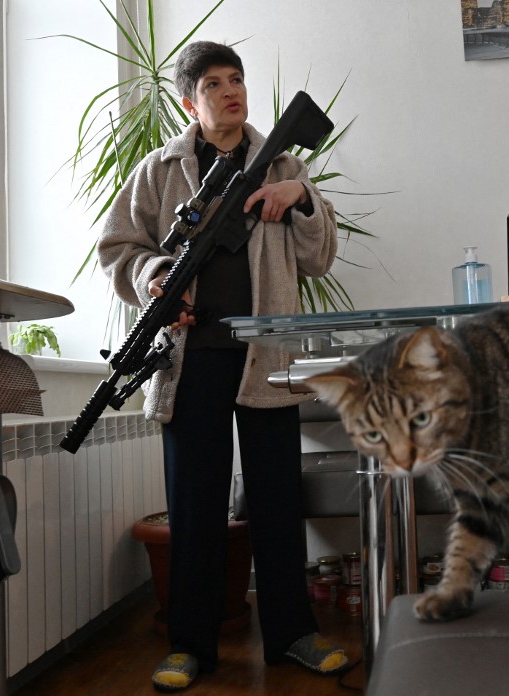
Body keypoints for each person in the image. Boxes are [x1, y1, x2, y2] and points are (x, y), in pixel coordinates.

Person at [97, 41, 346, 692]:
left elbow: (319, 258)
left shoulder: (284, 161)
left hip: (267, 358)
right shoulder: (158, 171)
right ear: (190, 101)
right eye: (213, 83)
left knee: (276, 504)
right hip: (191, 362)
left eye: (237, 79)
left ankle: (295, 635)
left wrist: (300, 197)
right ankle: (190, 645)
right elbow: (119, 250)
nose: (231, 91)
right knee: (195, 508)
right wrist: (156, 276)